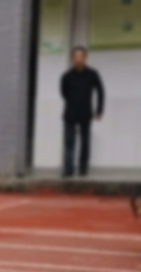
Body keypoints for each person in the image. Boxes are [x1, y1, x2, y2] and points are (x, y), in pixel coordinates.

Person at [60, 46, 104, 177]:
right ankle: (68, 168)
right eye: (76, 57)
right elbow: (63, 93)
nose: (78, 59)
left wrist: (99, 109)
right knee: (69, 141)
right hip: (70, 112)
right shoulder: (66, 76)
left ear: (85, 58)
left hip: (86, 112)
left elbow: (100, 91)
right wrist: (74, 101)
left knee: (85, 141)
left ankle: (83, 167)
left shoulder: (92, 74)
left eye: (81, 56)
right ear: (71, 59)